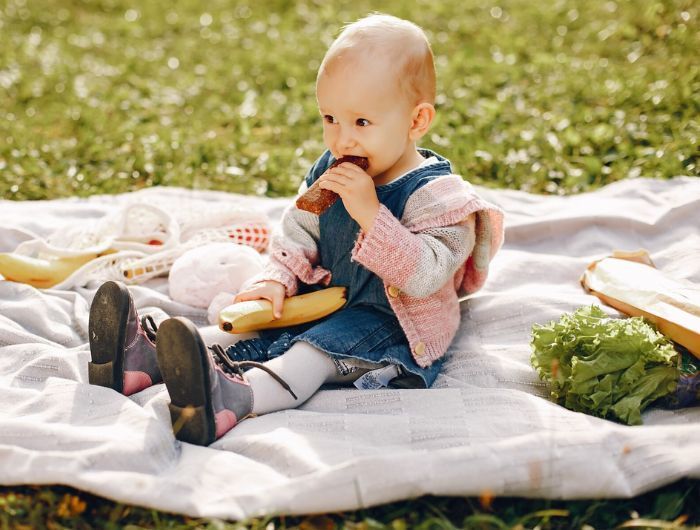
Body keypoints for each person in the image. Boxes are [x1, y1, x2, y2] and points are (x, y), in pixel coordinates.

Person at [87, 13, 504, 446]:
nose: (342, 140)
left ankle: (233, 399)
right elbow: (298, 234)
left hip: (392, 326)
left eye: (361, 123)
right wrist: (276, 279)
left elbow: (426, 275)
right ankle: (143, 360)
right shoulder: (330, 170)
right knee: (262, 324)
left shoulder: (441, 199)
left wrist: (371, 214)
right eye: (330, 118)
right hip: (324, 297)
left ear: (417, 121)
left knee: (311, 353)